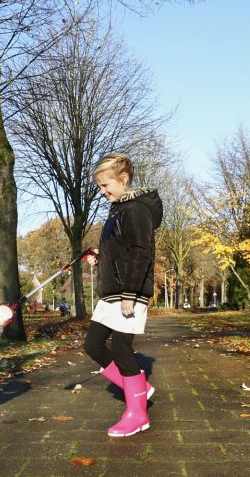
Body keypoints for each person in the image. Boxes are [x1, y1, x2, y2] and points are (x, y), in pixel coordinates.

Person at [83, 153, 162, 438]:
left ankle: (137, 413)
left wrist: (130, 293)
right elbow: (120, 250)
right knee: (92, 345)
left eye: (106, 185)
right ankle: (139, 387)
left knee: (120, 348)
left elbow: (141, 253)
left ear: (124, 179)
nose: (103, 191)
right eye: (100, 186)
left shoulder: (137, 210)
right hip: (111, 292)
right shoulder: (117, 210)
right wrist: (99, 256)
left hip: (129, 291)